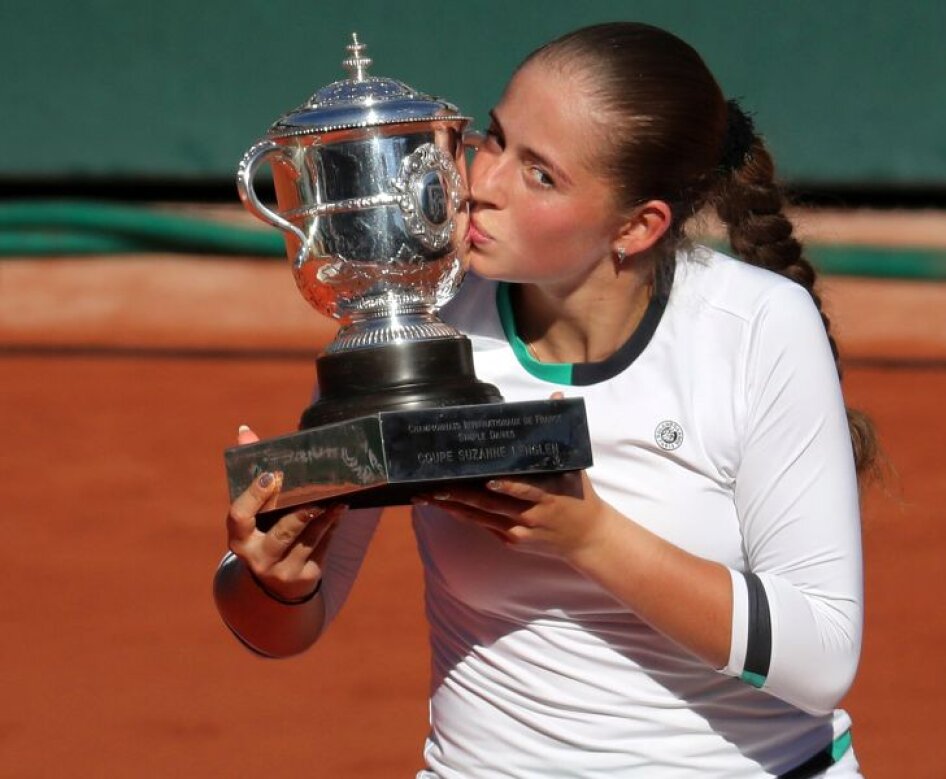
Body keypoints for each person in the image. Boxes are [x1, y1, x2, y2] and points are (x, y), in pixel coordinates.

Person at [214, 22, 876, 778]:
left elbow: (823, 656)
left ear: (636, 226)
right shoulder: (420, 315)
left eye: (541, 175)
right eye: (494, 139)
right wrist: (270, 578)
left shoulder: (756, 325)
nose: (483, 185)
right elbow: (276, 628)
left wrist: (588, 535)